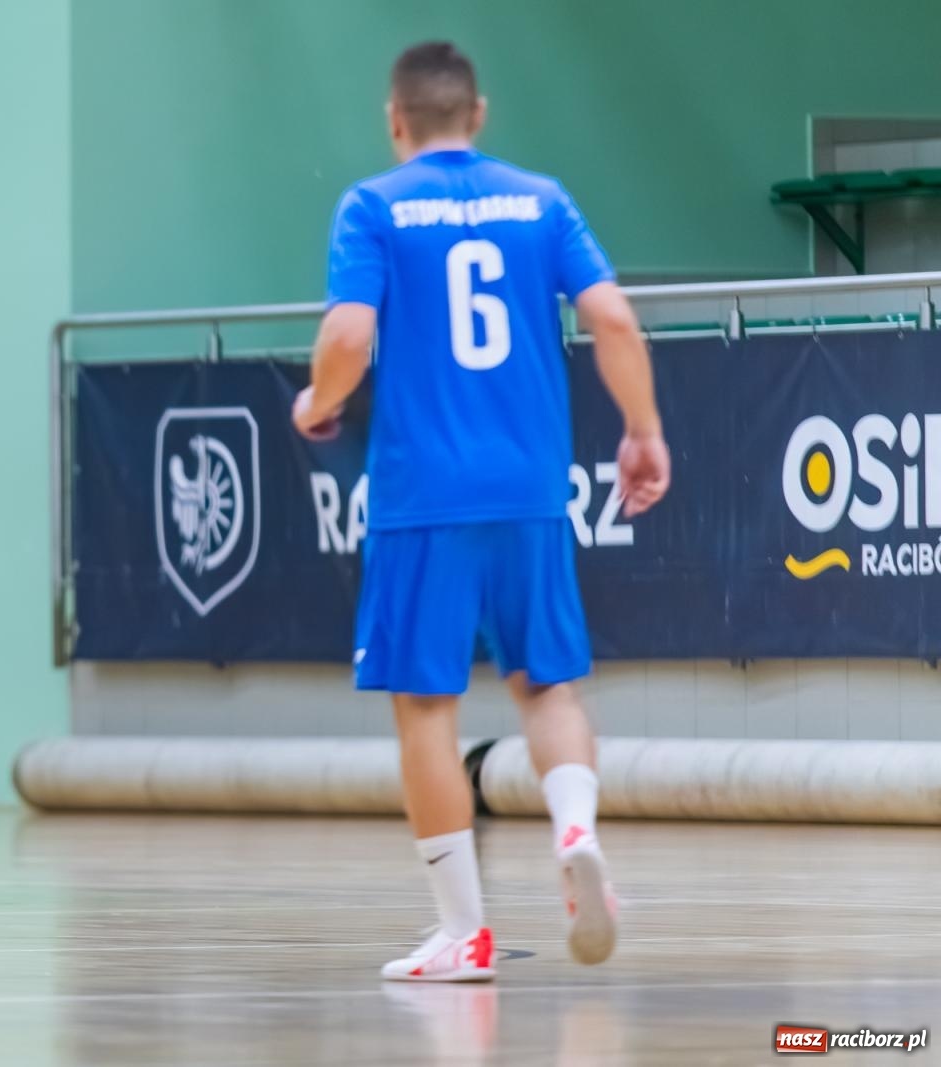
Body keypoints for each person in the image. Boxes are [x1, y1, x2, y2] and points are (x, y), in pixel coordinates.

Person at [292, 42, 670, 981]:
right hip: (532, 487)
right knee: (547, 684)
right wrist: (644, 430)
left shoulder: (373, 206)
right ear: (480, 113)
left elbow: (349, 330)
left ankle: (465, 932)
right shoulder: (542, 199)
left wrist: (318, 398)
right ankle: (574, 826)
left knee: (427, 704)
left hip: (424, 495)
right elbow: (614, 318)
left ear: (396, 120)